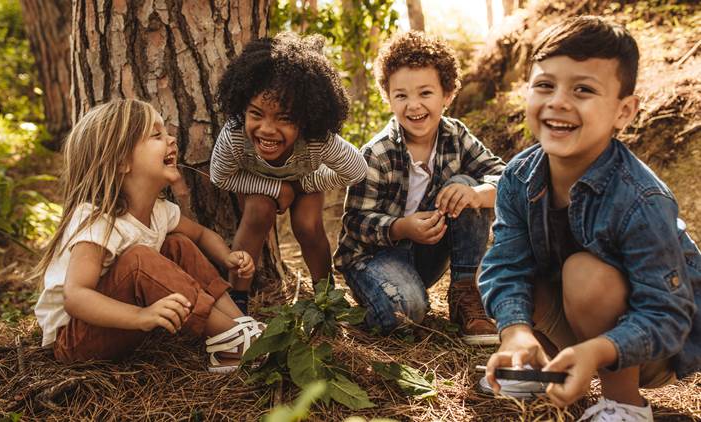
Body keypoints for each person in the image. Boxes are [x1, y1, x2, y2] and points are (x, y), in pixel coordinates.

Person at [479, 16, 700, 421]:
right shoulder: (517, 176)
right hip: (577, 317)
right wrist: (515, 331)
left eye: (583, 89)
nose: (558, 101)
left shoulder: (641, 198)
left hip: (649, 343)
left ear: (624, 112)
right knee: (525, 277)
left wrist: (597, 350)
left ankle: (625, 404)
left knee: (584, 272)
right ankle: (541, 366)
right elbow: (505, 264)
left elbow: (667, 314)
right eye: (545, 85)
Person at [34, 99, 263, 373]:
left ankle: (239, 326)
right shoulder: (98, 220)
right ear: (121, 161)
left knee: (178, 244)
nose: (171, 140)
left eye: (166, 133)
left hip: (118, 325)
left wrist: (227, 257)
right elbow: (76, 297)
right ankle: (232, 341)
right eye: (156, 135)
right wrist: (141, 316)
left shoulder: (160, 212)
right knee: (140, 259)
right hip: (76, 339)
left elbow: (201, 235)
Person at [334, 31, 506, 344]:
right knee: (406, 313)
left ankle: (465, 292)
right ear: (388, 98)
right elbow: (355, 221)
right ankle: (385, 300)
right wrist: (401, 228)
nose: (414, 106)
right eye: (401, 95)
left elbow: (507, 178)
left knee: (465, 186)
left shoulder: (456, 136)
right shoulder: (377, 153)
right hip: (373, 258)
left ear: (448, 94)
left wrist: (478, 194)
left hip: (426, 254)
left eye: (425, 93)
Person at [210, 32, 367, 313]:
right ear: (242, 107)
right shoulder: (234, 135)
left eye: (284, 118)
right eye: (256, 114)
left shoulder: (318, 140)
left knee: (307, 225)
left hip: (305, 181)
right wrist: (275, 189)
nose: (267, 129)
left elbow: (355, 169)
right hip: (258, 184)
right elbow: (220, 176)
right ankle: (237, 301)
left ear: (306, 119)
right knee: (258, 211)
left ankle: (326, 297)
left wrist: (307, 182)